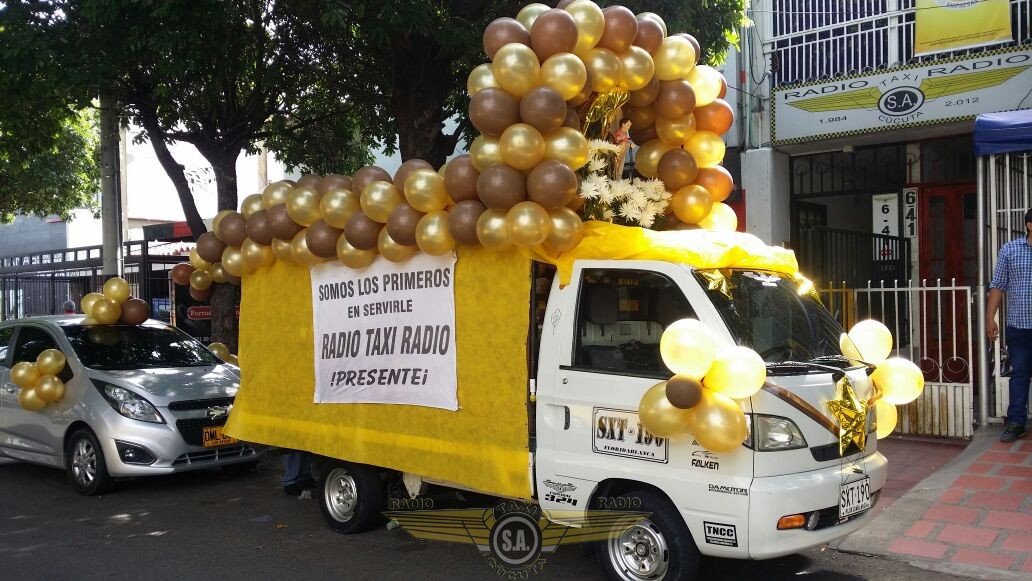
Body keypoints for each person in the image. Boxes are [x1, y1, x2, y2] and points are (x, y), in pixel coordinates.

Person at [986, 207, 1032, 442]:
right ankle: (1016, 422)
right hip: (1019, 326)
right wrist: (989, 318)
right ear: (1029, 225)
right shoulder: (1010, 250)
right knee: (1020, 374)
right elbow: (998, 285)